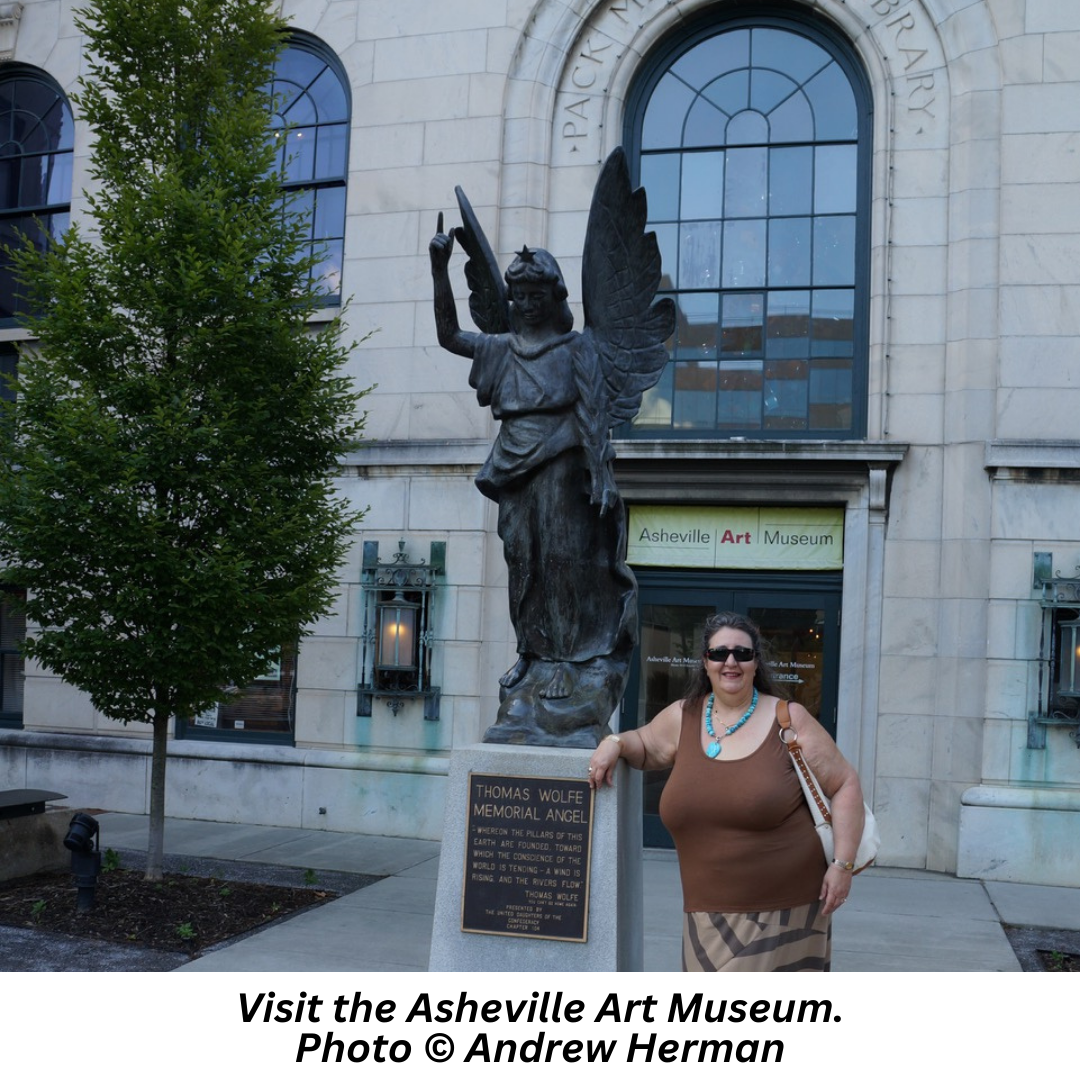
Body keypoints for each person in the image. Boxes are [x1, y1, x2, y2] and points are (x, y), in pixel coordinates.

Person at [429, 229, 637, 744]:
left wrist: (600, 474)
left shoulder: (577, 348)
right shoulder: (500, 348)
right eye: (518, 296)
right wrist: (440, 269)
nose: (525, 304)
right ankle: (533, 657)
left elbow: (593, 412)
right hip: (513, 468)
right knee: (523, 562)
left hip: (564, 466)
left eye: (535, 296)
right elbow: (450, 335)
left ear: (554, 298)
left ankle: (570, 664)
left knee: (565, 563)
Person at [588, 611, 865, 971]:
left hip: (786, 912)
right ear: (705, 662)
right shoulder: (683, 716)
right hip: (704, 916)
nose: (730, 662)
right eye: (719, 653)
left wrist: (842, 866)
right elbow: (643, 744)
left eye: (742, 653)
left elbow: (845, 784)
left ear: (755, 662)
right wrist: (613, 742)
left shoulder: (788, 719)